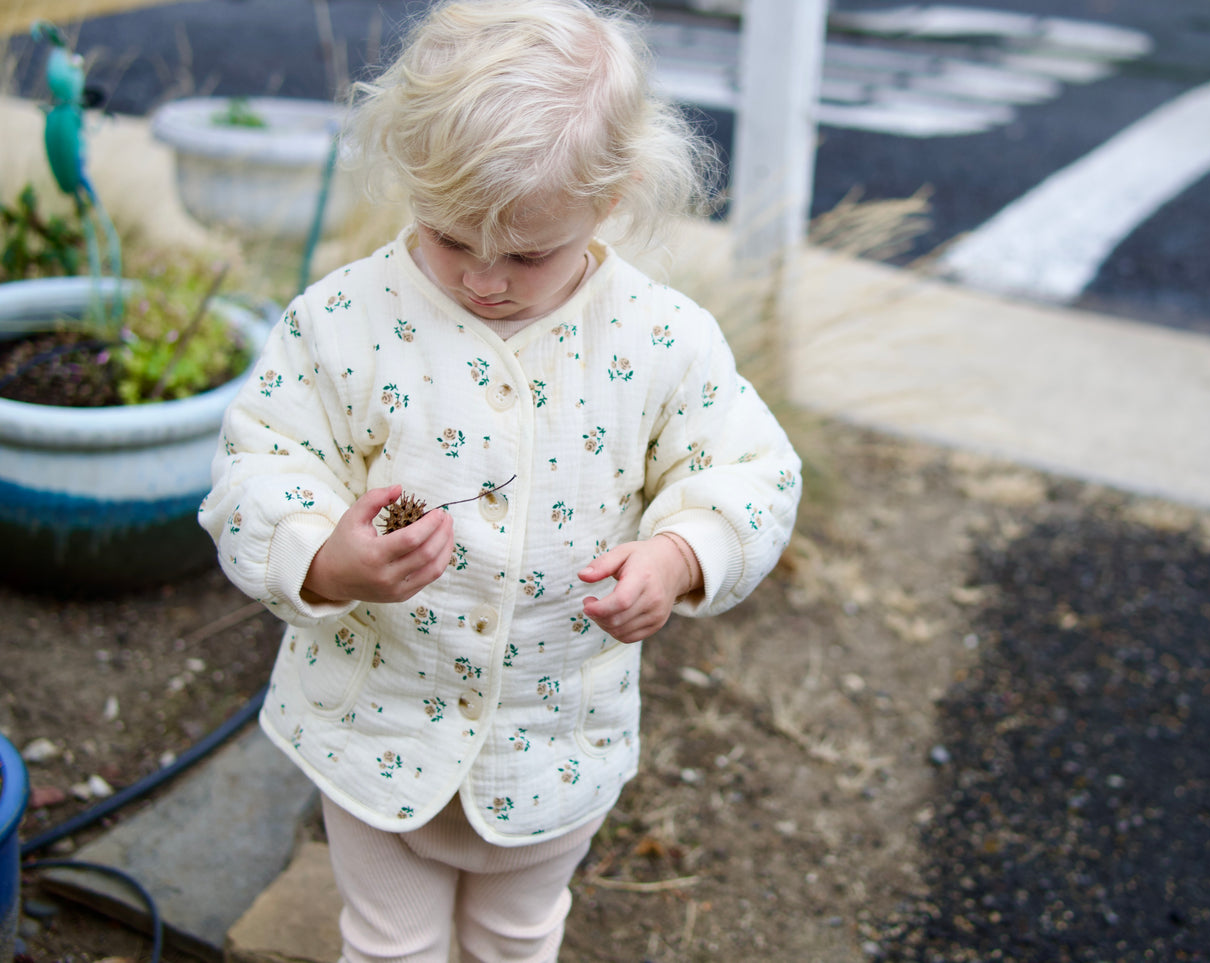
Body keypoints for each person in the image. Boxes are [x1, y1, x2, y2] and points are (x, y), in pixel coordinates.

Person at [197, 1, 801, 960]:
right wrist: (323, 556)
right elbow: (259, 457)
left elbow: (750, 468)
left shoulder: (658, 340)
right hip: (374, 718)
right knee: (389, 941)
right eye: (447, 238)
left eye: (525, 254)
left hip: (555, 738)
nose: (484, 281)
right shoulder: (346, 320)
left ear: (612, 199)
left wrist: (683, 553)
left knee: (518, 937)